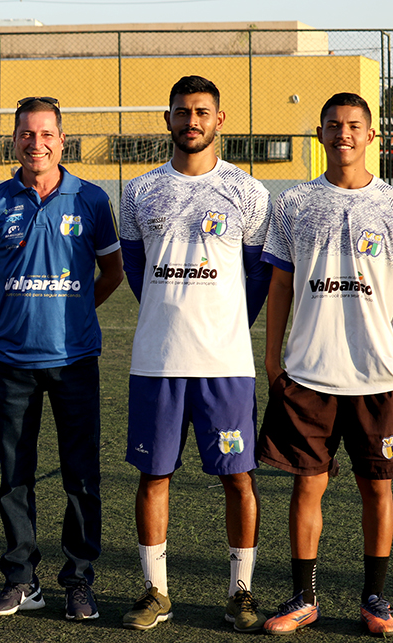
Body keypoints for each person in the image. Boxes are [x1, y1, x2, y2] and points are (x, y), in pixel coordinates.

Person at [258, 92, 393, 637]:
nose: (343, 134)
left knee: (377, 487)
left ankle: (375, 599)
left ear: (371, 135)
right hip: (309, 373)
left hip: (379, 375)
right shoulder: (294, 203)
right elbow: (280, 283)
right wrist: (272, 356)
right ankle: (303, 599)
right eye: (333, 125)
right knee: (307, 487)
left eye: (354, 125)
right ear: (321, 134)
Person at [118, 75, 271, 632]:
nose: (192, 121)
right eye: (182, 112)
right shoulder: (137, 190)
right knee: (153, 475)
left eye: (202, 111)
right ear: (168, 120)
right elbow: (135, 269)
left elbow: (257, 276)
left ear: (219, 120)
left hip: (225, 364)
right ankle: (155, 591)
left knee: (239, 478)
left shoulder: (249, 192)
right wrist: (170, 307)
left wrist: (225, 321)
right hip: (156, 362)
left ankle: (242, 593)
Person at [0, 96, 123, 621]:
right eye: (26, 135)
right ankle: (21, 579)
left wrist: (73, 309)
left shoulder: (92, 200)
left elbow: (112, 274)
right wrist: (21, 311)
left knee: (82, 475)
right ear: (13, 141)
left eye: (46, 134)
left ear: (62, 140)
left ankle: (78, 579)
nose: (36, 143)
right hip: (12, 360)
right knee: (15, 474)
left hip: (75, 360)